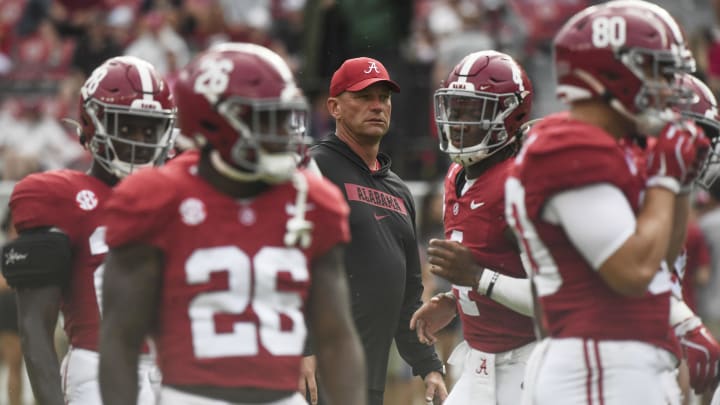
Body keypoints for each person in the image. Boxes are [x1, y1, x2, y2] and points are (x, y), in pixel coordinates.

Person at [97, 42, 367, 405]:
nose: (280, 134)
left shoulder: (313, 201)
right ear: (213, 120)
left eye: (282, 117)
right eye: (264, 118)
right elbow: (120, 339)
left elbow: (336, 338)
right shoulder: (157, 198)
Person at [502, 1, 711, 404]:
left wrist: (679, 180)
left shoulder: (616, 148)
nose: (667, 88)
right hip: (595, 361)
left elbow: (661, 259)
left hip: (619, 358)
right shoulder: (568, 146)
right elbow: (631, 271)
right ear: (613, 71)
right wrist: (666, 177)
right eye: (656, 71)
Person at [0, 55, 176, 405]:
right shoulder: (58, 196)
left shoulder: (180, 194)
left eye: (149, 128)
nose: (140, 139)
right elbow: (35, 330)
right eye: (126, 126)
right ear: (92, 123)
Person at [306, 56, 447, 405]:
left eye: (383, 98)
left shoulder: (398, 191)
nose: (377, 106)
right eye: (363, 96)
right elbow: (288, 266)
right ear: (334, 107)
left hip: (367, 383)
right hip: (316, 374)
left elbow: (408, 295)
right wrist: (301, 348)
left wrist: (428, 366)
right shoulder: (314, 168)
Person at [410, 50, 537, 405]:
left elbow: (558, 298)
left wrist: (477, 279)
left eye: (473, 111)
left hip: (530, 363)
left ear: (511, 114)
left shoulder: (523, 183)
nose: (458, 122)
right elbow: (499, 262)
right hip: (479, 361)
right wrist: (455, 300)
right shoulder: (457, 175)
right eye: (455, 108)